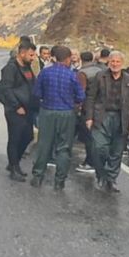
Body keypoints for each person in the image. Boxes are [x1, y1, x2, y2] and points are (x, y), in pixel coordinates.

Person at [29, 46, 85, 190]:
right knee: (64, 148)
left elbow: (36, 93)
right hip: (66, 113)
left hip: (47, 111)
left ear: (54, 57)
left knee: (44, 145)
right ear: (67, 59)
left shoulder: (45, 73)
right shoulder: (72, 75)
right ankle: (60, 180)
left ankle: (37, 176)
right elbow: (81, 96)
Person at [85, 51, 129, 192]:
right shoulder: (100, 76)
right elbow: (91, 97)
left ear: (122, 63)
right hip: (102, 116)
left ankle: (111, 179)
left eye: (117, 62)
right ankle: (101, 174)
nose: (114, 64)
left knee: (117, 150)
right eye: (112, 61)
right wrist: (89, 117)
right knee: (99, 148)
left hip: (121, 118)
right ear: (108, 62)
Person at [0, 40, 38, 182]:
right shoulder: (11, 68)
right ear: (22, 53)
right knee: (14, 138)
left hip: (28, 109)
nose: (33, 58)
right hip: (14, 110)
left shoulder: (27, 68)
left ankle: (13, 162)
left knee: (27, 136)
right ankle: (14, 167)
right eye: (31, 55)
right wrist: (16, 106)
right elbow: (6, 89)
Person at [75, 51, 104, 174]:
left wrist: (78, 108)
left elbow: (81, 92)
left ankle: (90, 162)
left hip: (88, 107)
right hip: (100, 107)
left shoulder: (82, 73)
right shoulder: (100, 71)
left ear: (81, 59)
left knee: (88, 137)